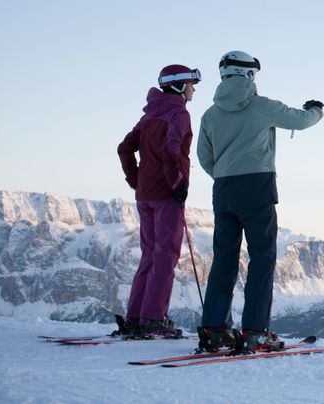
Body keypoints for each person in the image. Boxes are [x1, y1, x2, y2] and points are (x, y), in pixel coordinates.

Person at [195, 51, 324, 353]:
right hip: (256, 187)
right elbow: (302, 120)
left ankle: (215, 330)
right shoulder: (262, 106)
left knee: (224, 260)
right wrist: (316, 109)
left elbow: (204, 156)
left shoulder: (209, 115)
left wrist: (224, 173)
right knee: (262, 259)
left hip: (224, 189)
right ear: (248, 75)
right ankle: (255, 332)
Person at [116, 64, 201, 338]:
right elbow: (171, 149)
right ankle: (153, 319)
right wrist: (177, 184)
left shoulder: (149, 115)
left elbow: (124, 148)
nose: (193, 89)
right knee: (165, 256)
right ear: (178, 86)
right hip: (166, 195)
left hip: (145, 194)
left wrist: (135, 179)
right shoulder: (179, 114)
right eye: (190, 83)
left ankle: (136, 317)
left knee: (150, 254)